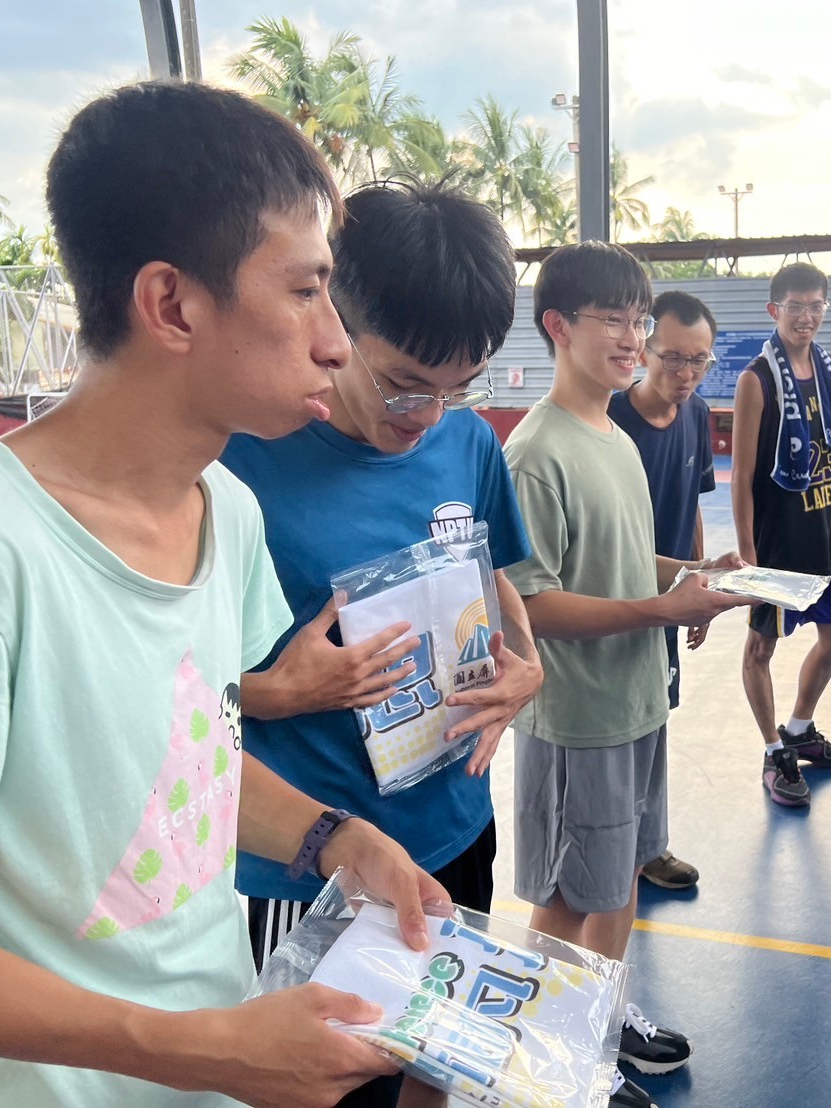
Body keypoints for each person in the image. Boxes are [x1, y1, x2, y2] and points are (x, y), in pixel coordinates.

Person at [0, 82, 452, 1108]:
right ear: (170, 304)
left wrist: (336, 839)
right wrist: (192, 1048)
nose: (337, 342)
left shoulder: (228, 511)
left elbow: (181, 765)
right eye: (305, 292)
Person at [221, 180, 542, 1106]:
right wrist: (281, 692)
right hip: (314, 860)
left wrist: (528, 666)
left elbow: (493, 574)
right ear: (333, 320)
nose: (427, 413)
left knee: (435, 1061)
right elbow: (166, 696)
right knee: (326, 1085)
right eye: (404, 382)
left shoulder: (468, 444)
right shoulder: (242, 461)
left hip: (454, 825)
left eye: (459, 386)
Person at [503, 241, 752, 1108]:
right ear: (557, 326)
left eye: (638, 320)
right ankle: (550, 1059)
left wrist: (693, 573)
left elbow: (617, 560)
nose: (632, 338)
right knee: (569, 898)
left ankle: (599, 1022)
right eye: (612, 319)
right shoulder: (536, 453)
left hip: (635, 700)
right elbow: (532, 605)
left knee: (619, 879)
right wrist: (657, 611)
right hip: (578, 716)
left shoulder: (610, 434)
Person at [730, 262, 831, 807]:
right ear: (775, 310)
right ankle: (773, 750)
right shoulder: (756, 380)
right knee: (760, 648)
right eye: (795, 307)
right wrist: (748, 556)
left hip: (827, 532)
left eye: (815, 306)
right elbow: (741, 475)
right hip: (780, 542)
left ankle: (800, 729)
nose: (805, 317)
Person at [608, 290, 718, 892]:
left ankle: (648, 847)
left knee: (656, 716)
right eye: (673, 357)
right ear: (645, 349)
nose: (685, 372)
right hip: (618, 604)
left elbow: (693, 504)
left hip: (671, 600)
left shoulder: (697, 415)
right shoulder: (611, 420)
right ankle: (617, 844)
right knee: (617, 724)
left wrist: (698, 582)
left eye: (698, 360)